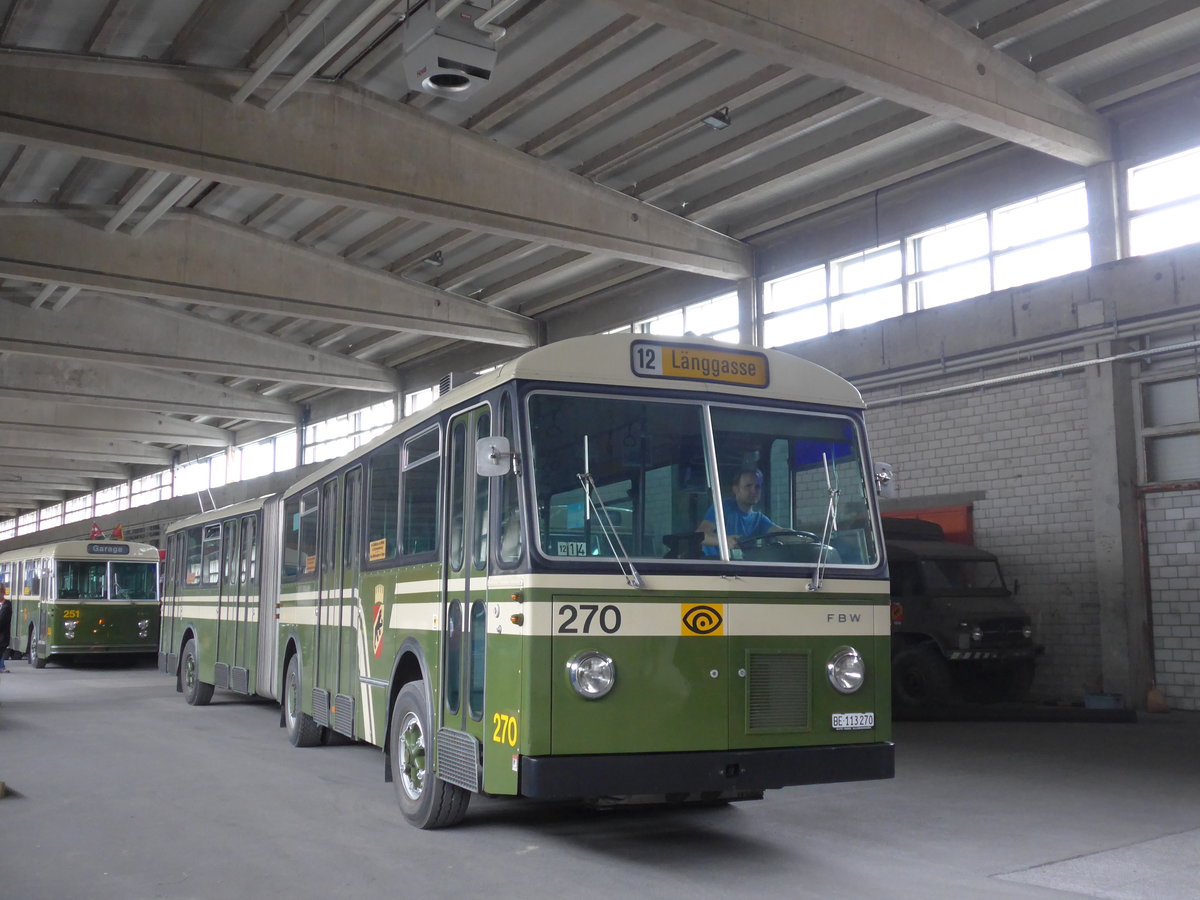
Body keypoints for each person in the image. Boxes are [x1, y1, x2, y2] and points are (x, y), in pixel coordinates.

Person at [698, 468, 790, 556]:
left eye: (757, 487)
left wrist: (796, 536)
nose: (754, 491)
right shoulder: (722, 508)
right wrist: (724, 541)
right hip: (714, 564)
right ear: (736, 489)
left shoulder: (759, 519)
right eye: (748, 486)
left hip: (743, 565)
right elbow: (699, 536)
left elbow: (781, 533)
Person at [0, 583, 12, 671]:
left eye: (0, 592)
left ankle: (1, 666)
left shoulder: (7, 606)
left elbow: (2, 621)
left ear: (3, 592)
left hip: (2, 637)